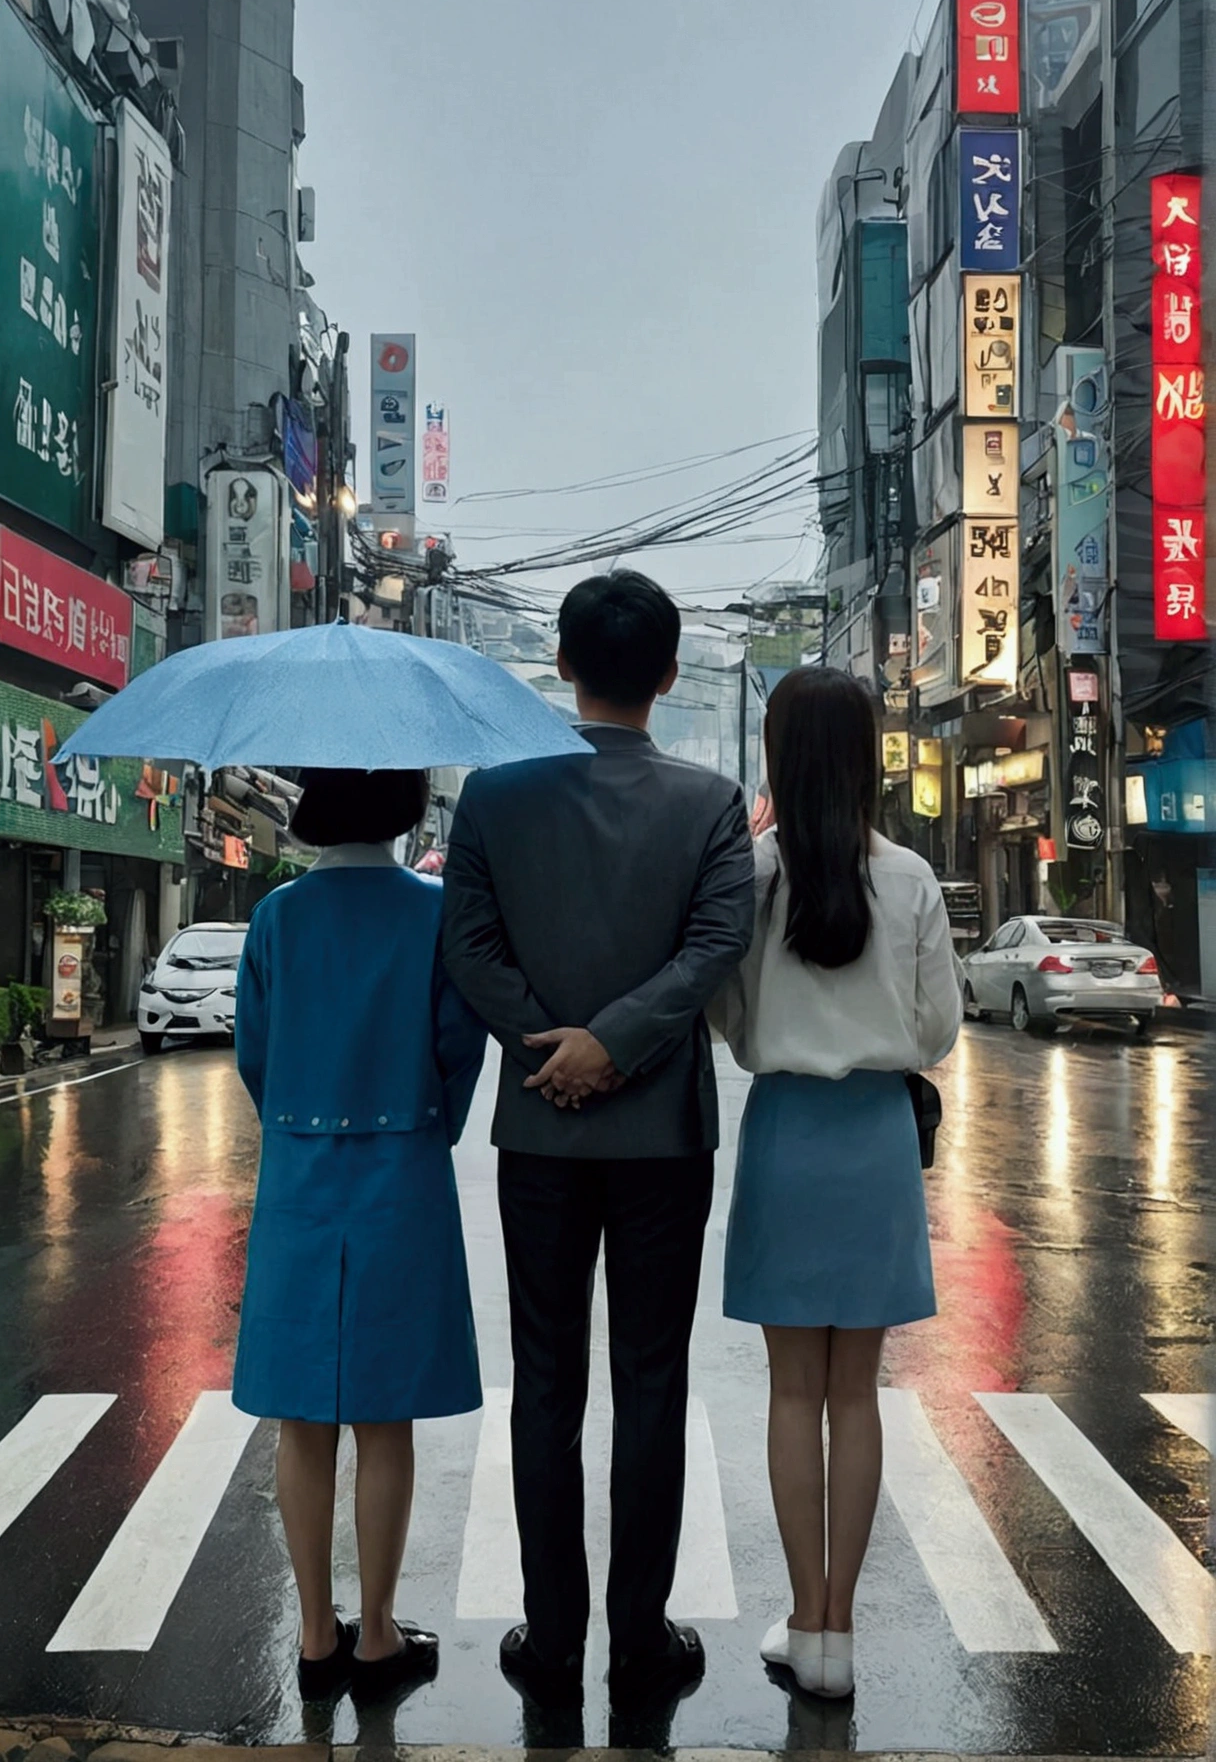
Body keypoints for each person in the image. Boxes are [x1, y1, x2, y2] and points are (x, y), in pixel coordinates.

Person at [443, 570, 754, 1708]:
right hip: (663, 1131)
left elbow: (467, 950)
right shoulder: (711, 803)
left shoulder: (492, 796)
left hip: (537, 1126)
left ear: (563, 665)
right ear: (670, 674)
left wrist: (551, 1048)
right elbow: (714, 946)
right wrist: (616, 1045)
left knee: (544, 1383)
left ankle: (552, 1629)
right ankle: (637, 1639)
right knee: (653, 1382)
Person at [712, 667, 962, 1703]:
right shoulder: (906, 877)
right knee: (856, 1390)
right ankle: (836, 1630)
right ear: (864, 758)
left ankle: (801, 1606)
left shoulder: (751, 873)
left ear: (776, 755)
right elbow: (939, 1029)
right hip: (871, 1144)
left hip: (783, 1138)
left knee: (790, 1389)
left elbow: (725, 1017)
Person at [231, 768, 486, 1703]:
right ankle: (377, 1634)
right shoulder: (435, 913)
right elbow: (462, 1044)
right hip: (403, 1177)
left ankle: (312, 1635)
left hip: (301, 1176)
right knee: (386, 1420)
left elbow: (254, 1054)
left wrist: (302, 1117)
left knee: (302, 1420)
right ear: (406, 811)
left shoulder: (276, 919)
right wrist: (426, 1124)